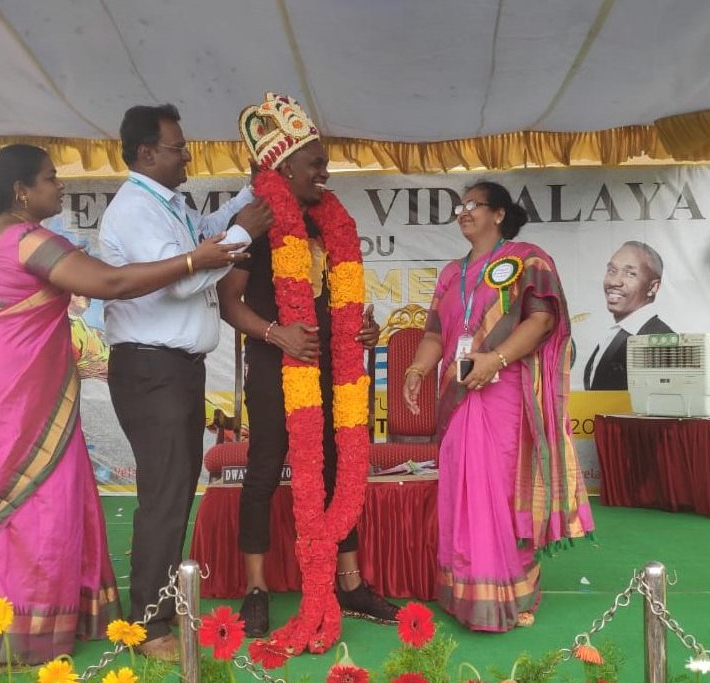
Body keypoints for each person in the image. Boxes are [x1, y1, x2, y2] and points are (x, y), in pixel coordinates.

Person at [0, 144, 248, 665]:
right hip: (12, 396)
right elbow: (110, 284)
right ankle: (15, 631)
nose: (59, 187)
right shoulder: (26, 239)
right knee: (31, 501)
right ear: (22, 191)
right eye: (50, 179)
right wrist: (197, 259)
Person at [219, 92, 398, 641]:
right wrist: (277, 334)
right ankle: (256, 589)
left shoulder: (332, 223)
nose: (325, 172)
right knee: (267, 464)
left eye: (323, 162)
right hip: (277, 365)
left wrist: (359, 330)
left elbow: (336, 302)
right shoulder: (253, 221)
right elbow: (230, 304)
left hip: (328, 365)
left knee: (337, 464)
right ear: (282, 166)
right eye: (315, 162)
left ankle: (349, 583)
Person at [100, 104, 272, 661]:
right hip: (153, 368)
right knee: (165, 497)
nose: (187, 156)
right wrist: (243, 237)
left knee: (173, 492)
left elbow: (203, 234)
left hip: (172, 370)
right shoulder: (134, 210)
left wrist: (249, 195)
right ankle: (149, 626)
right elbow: (178, 279)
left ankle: (161, 609)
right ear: (146, 153)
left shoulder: (166, 204)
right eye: (178, 148)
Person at [402, 182, 593, 632]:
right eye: (459, 207)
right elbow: (434, 334)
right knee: (461, 491)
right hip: (458, 393)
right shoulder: (451, 272)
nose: (463, 212)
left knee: (504, 492)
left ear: (499, 214)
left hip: (505, 393)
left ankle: (515, 593)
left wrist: (496, 358)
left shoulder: (528, 259)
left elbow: (543, 319)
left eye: (473, 205)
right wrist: (416, 368)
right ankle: (465, 590)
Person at [583, 241, 673, 390]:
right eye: (612, 270)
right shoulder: (616, 333)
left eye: (630, 273)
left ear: (653, 287)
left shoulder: (661, 340)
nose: (614, 281)